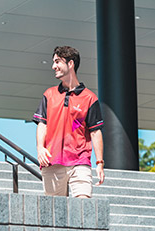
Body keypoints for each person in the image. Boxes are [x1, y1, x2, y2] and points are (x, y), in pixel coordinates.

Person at [33, 46, 105, 198]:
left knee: (83, 207)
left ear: (70, 64)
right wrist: (40, 148)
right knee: (54, 216)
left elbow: (95, 131)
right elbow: (42, 124)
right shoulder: (49, 94)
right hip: (52, 162)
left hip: (80, 161)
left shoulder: (90, 98)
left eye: (57, 61)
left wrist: (99, 162)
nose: (53, 66)